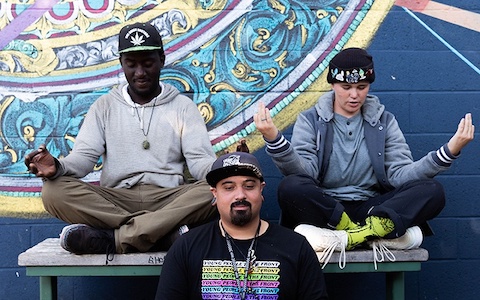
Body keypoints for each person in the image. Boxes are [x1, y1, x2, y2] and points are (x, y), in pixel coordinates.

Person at [254, 47, 474, 265]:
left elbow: (399, 175)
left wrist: (449, 151)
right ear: (332, 84)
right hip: (328, 211)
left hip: (373, 210)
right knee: (290, 187)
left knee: (432, 191)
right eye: (346, 87)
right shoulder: (310, 120)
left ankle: (354, 236)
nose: (354, 95)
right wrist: (274, 139)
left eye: (361, 87)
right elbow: (305, 174)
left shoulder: (384, 122)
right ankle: (362, 234)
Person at [24, 22, 218, 257]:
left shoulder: (182, 107)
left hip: (168, 199)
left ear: (162, 60)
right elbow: (84, 159)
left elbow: (199, 161)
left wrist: (227, 169)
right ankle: (159, 234)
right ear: (121, 64)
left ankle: (115, 240)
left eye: (148, 64)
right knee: (53, 192)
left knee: (216, 191)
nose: (140, 73)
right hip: (116, 201)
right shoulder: (104, 106)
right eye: (131, 64)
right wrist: (59, 167)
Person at [155, 152, 328, 299]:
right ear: (215, 194)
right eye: (229, 188)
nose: (240, 195)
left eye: (249, 186)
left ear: (261, 190)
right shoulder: (186, 247)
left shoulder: (296, 247)